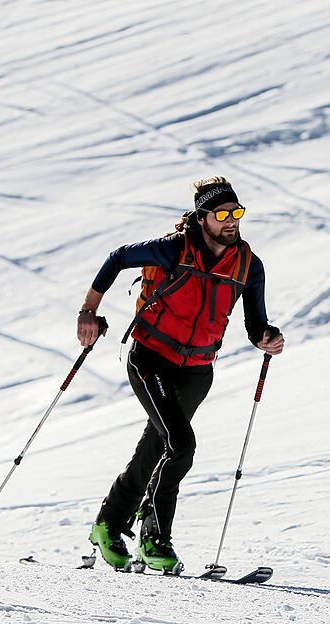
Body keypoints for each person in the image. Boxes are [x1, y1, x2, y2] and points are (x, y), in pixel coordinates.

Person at [76, 176, 284, 572]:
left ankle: (108, 523)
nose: (232, 221)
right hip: (150, 359)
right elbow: (118, 256)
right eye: (222, 214)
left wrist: (267, 339)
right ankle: (154, 538)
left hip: (197, 371)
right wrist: (89, 310)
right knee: (182, 444)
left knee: (159, 446)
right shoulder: (173, 250)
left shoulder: (248, 266)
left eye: (237, 213)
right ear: (203, 217)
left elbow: (255, 323)